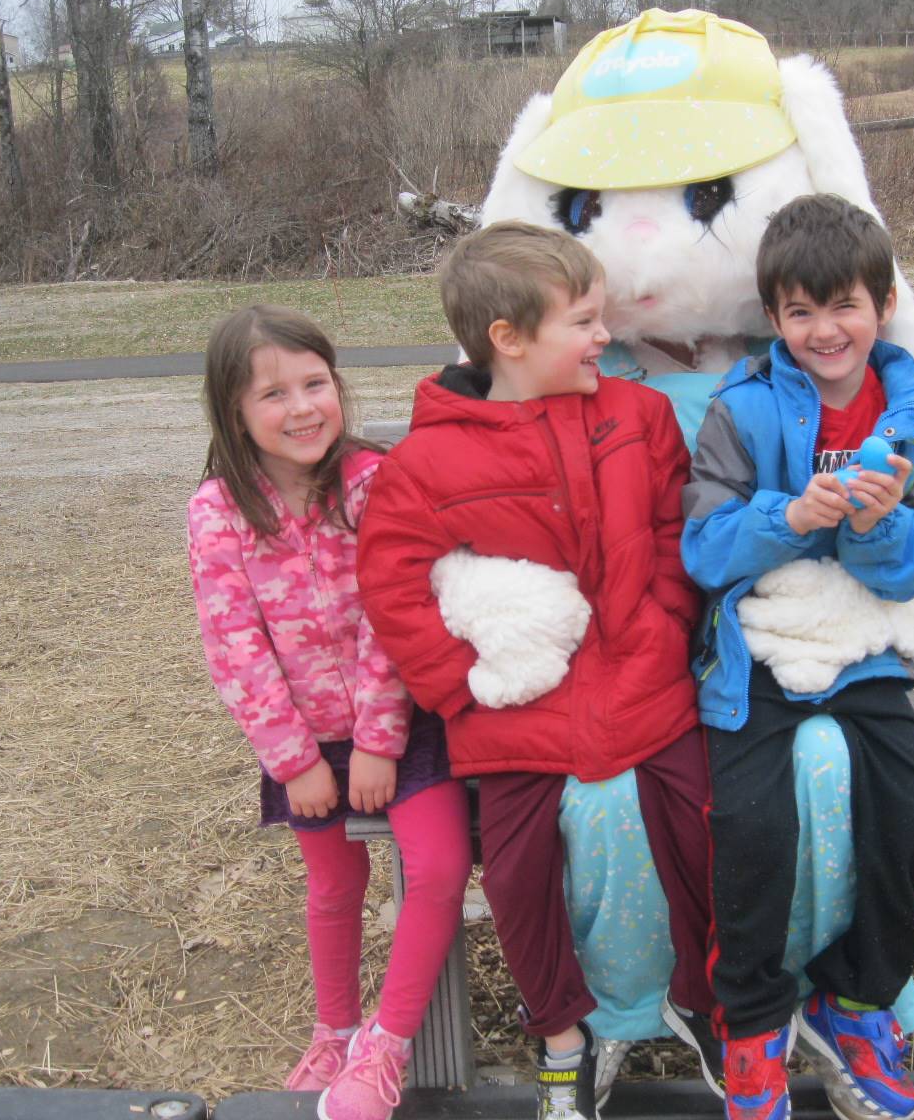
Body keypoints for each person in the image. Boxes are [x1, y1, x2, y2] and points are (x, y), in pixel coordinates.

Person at [357, 221, 720, 1120]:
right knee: (517, 873)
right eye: (585, 322)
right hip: (517, 712)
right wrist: (457, 686)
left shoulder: (637, 418)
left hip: (644, 681)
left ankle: (704, 1002)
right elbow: (391, 580)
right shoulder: (429, 461)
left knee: (703, 828)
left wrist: (669, 619)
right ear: (508, 340)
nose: (607, 337)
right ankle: (563, 1033)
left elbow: (677, 530)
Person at [681, 195, 914, 1120]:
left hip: (865, 654)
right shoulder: (744, 409)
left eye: (843, 305)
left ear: (882, 305)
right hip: (760, 656)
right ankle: (756, 1024)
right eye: (800, 312)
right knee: (754, 827)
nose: (824, 330)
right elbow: (704, 549)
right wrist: (790, 516)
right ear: (773, 319)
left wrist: (874, 530)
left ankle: (855, 1003)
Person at [187, 305, 472, 1120]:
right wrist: (297, 761)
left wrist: (381, 740)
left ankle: (385, 1046)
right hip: (306, 742)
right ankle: (335, 1030)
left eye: (316, 383)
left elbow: (398, 612)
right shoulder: (218, 511)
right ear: (234, 413)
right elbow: (233, 646)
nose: (303, 407)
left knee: (442, 866)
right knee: (333, 885)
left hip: (404, 729)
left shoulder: (376, 481)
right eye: (274, 394)